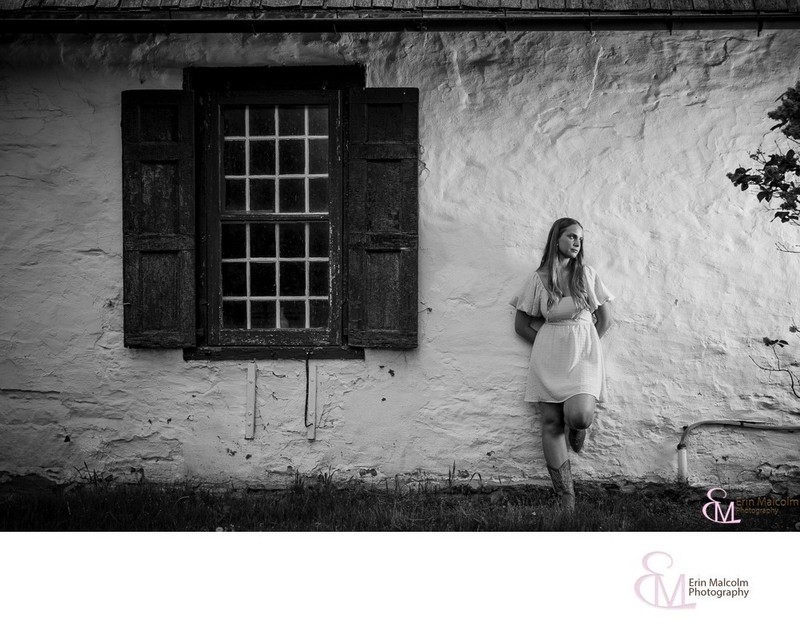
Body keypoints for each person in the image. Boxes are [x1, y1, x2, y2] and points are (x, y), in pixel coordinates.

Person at [510, 218, 614, 510]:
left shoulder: (587, 275)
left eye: (580, 238)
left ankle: (580, 427)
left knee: (580, 416)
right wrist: (546, 346)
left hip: (583, 357)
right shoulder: (537, 279)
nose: (577, 242)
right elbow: (521, 325)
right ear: (556, 239)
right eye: (571, 236)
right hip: (547, 359)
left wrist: (585, 346)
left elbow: (604, 321)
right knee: (552, 422)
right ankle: (565, 495)